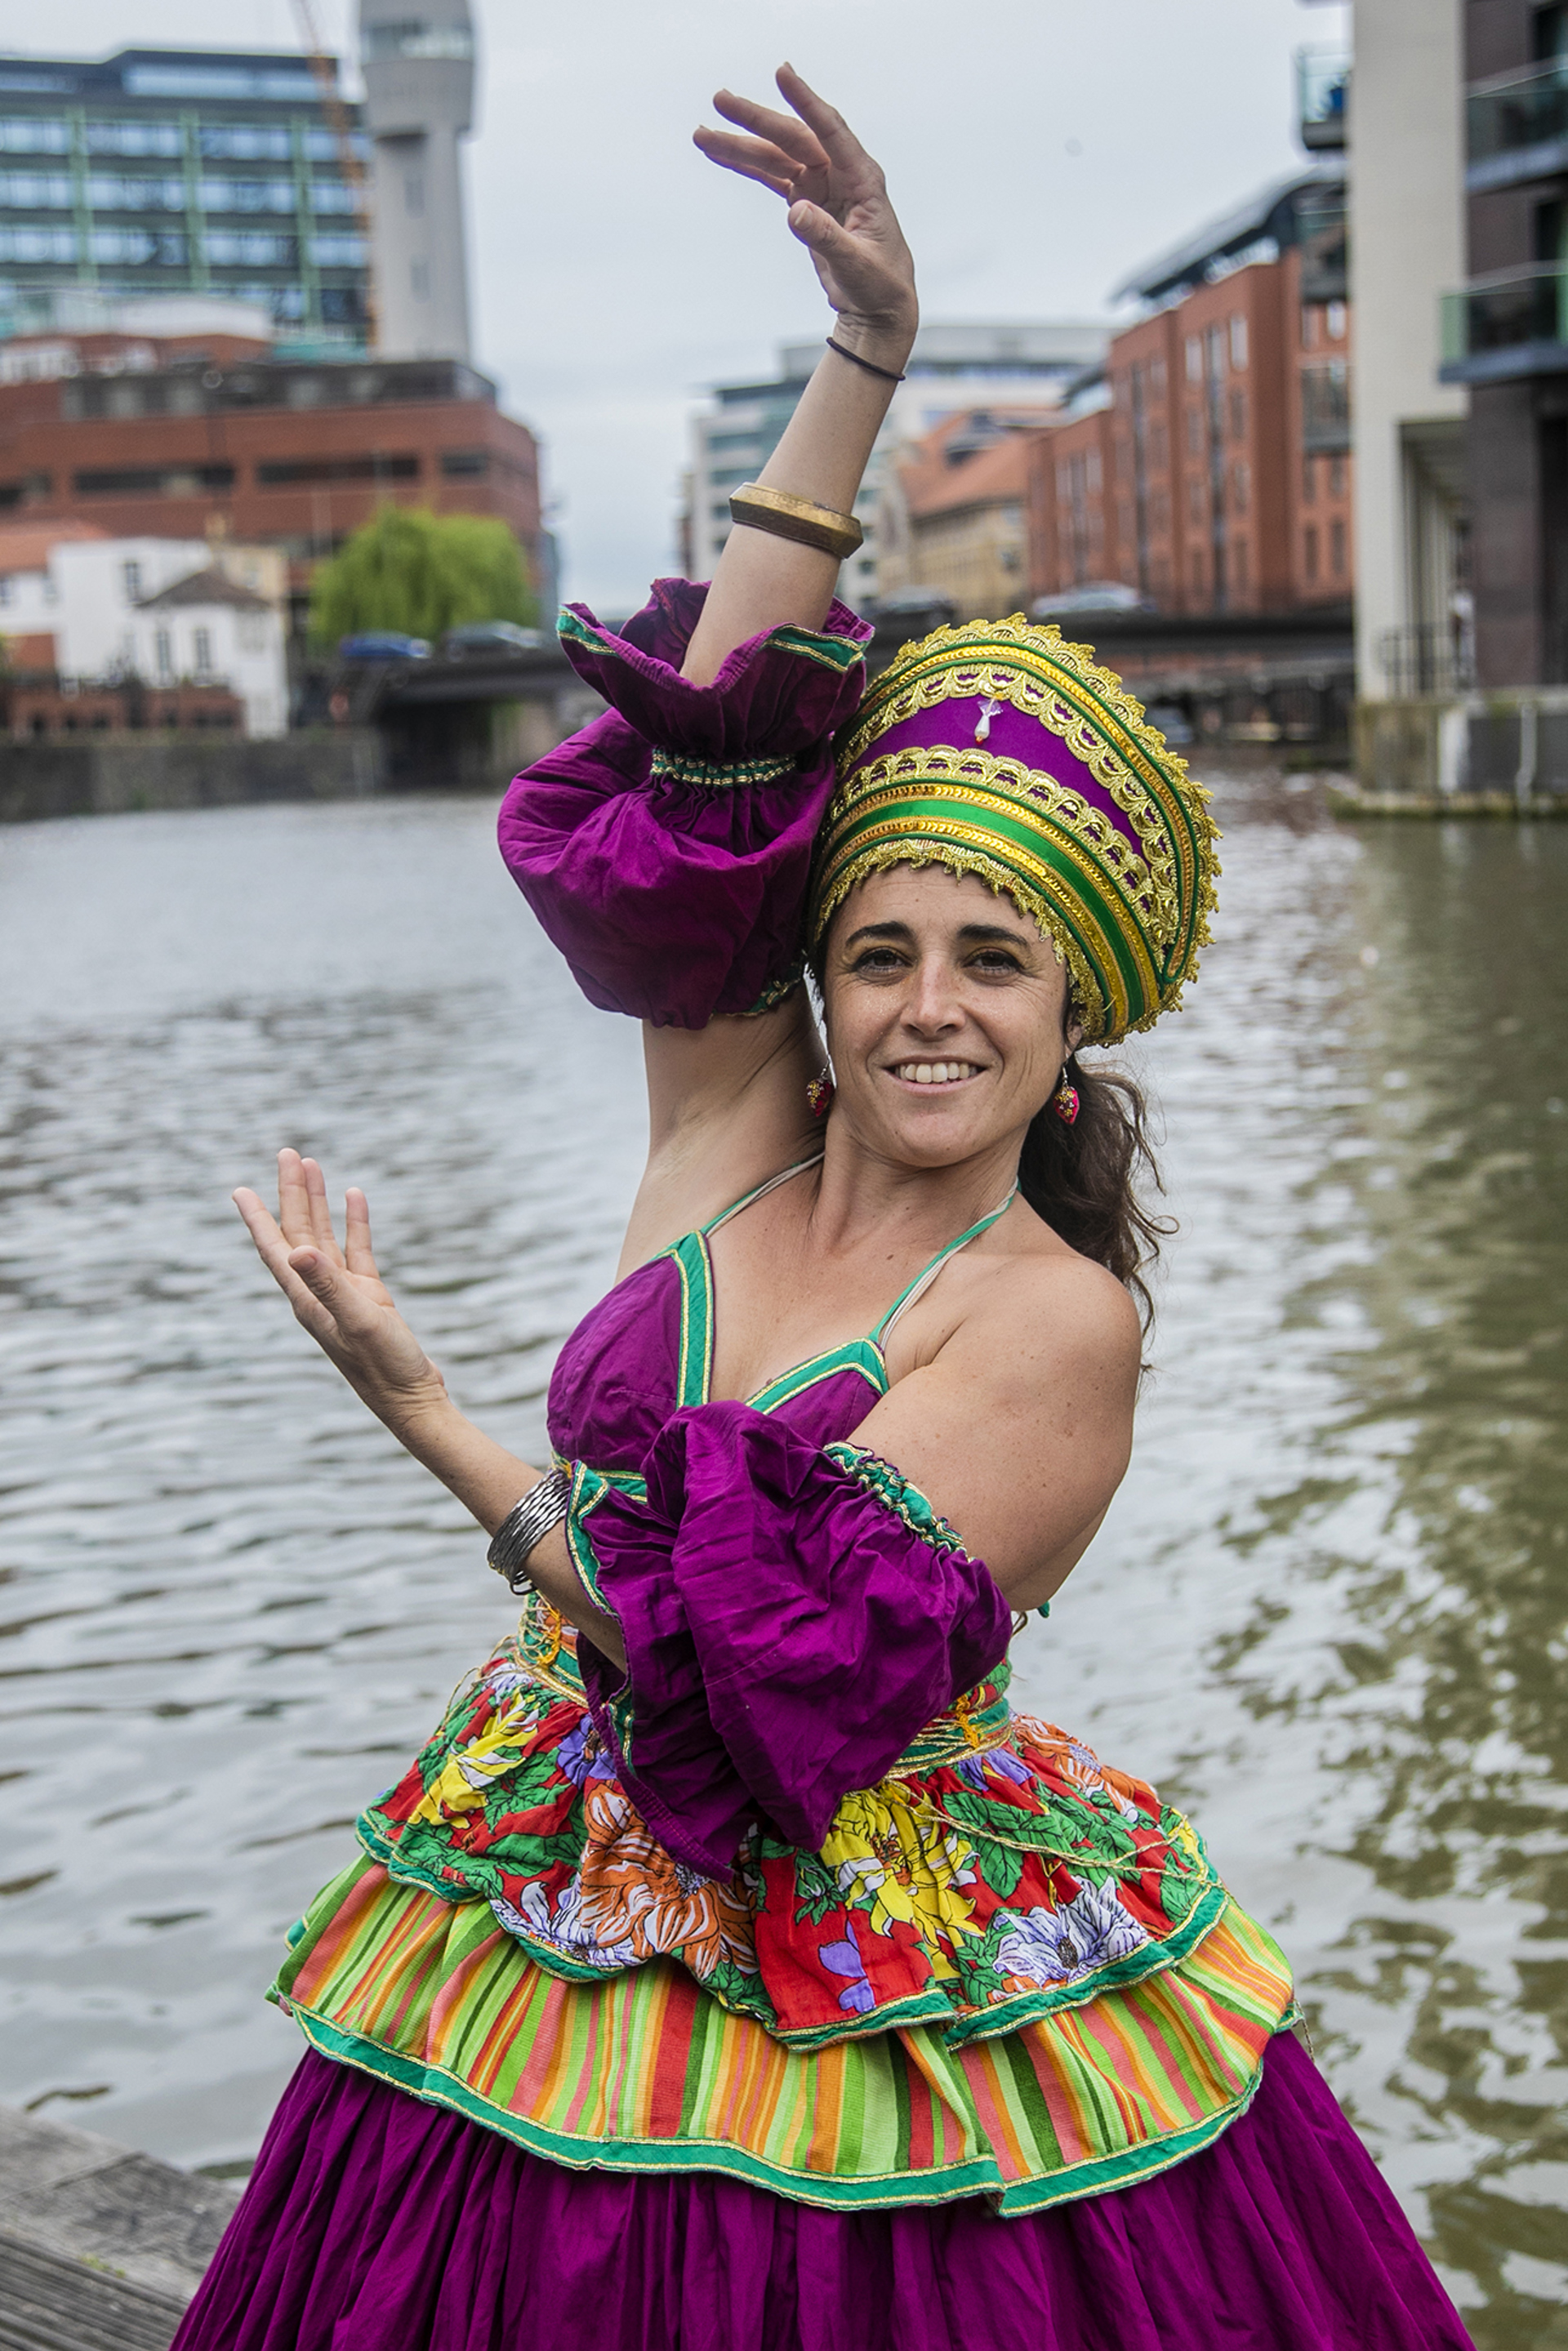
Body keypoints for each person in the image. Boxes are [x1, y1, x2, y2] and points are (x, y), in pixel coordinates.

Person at [177, 68, 1475, 2351]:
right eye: (882, 950)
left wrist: (426, 1410)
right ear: (820, 979)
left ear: (1077, 1019)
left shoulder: (1051, 1323)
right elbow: (714, 744)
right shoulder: (725, 1123)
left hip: (863, 1932)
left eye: (994, 962)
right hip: (545, 1876)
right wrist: (863, 364)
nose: (928, 1009)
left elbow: (724, 1681)